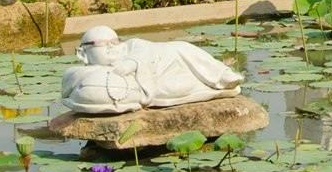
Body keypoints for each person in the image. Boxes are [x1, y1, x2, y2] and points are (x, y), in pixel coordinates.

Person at [61, 25, 243, 114]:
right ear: (83, 54)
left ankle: (221, 75)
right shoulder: (79, 73)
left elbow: (145, 50)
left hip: (169, 57)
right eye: (101, 45)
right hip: (156, 79)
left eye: (114, 42)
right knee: (174, 88)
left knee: (183, 48)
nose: (111, 48)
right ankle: (208, 85)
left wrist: (132, 63)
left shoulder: (131, 47)